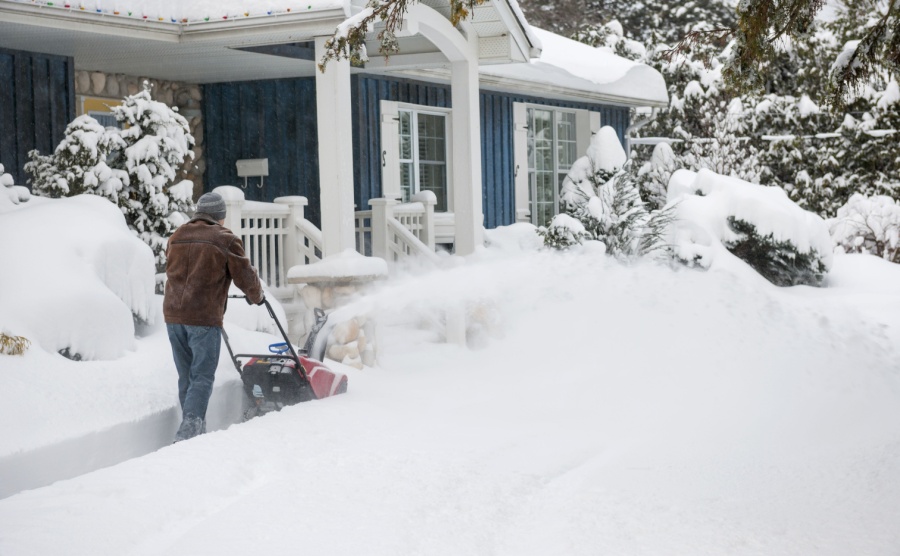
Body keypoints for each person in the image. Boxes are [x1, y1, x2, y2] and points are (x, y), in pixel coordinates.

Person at [163, 191, 264, 442]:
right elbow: (245, 277)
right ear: (220, 217)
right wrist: (257, 295)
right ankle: (188, 433)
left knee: (187, 376)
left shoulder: (177, 236)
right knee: (203, 376)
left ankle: (195, 432)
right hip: (203, 317)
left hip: (173, 316)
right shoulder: (225, 239)